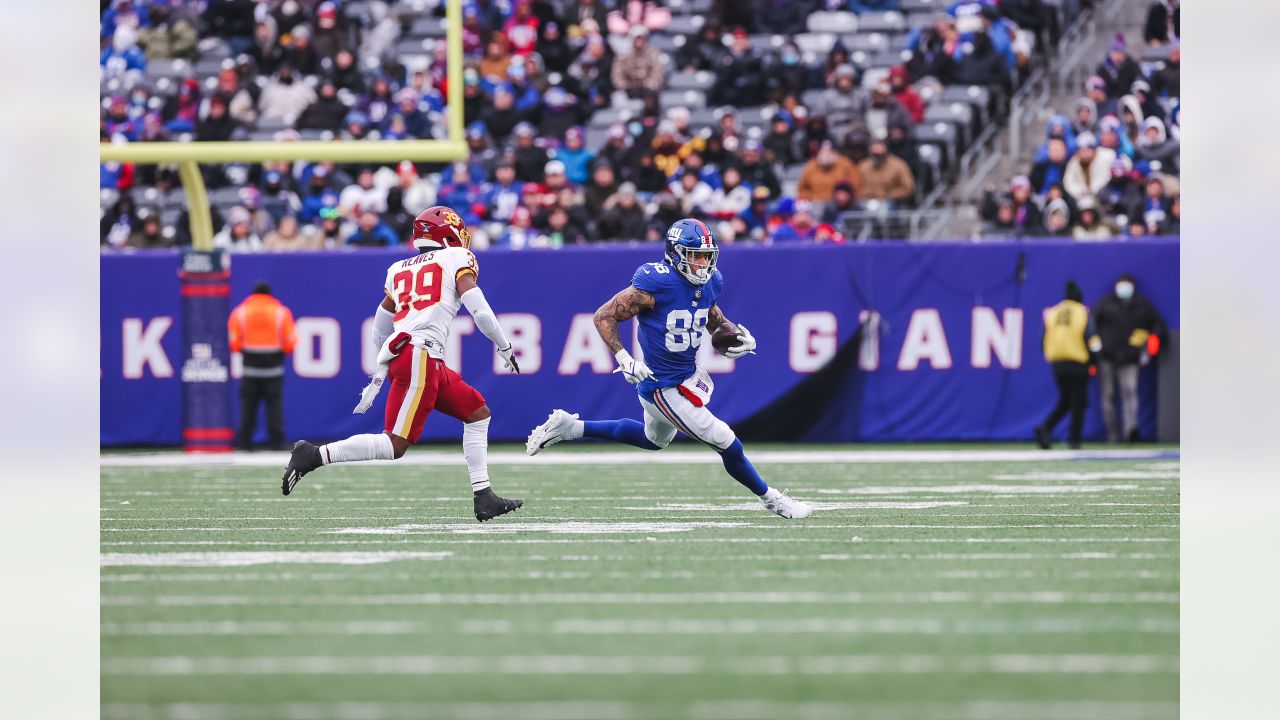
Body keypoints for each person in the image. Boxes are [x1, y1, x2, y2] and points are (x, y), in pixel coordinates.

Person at [525, 218, 813, 519]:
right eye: (695, 255)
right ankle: (773, 499)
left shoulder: (711, 281)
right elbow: (603, 316)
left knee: (653, 440)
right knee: (725, 440)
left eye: (707, 256)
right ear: (675, 254)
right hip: (661, 385)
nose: (703, 263)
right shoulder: (656, 282)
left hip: (685, 377)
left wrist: (735, 335)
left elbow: (712, 316)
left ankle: (572, 427)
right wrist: (623, 357)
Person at [282, 206, 525, 522]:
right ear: (446, 232)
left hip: (416, 355)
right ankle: (314, 455)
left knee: (476, 412)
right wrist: (504, 346)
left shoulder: (398, 268)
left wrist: (386, 357)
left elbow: (380, 325)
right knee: (393, 444)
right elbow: (480, 312)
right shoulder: (456, 259)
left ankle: (484, 495)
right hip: (420, 355)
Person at [1091, 273, 1167, 443]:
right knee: (1108, 395)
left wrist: (1151, 341)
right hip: (1107, 357)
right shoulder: (1106, 303)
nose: (1124, 288)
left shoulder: (1142, 305)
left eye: (1127, 284)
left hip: (1130, 357)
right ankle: (1112, 433)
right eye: (1121, 284)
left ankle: (1130, 431)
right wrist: (1096, 349)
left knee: (1130, 392)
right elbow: (1091, 324)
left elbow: (1158, 326)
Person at [229, 282, 298, 451]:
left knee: (248, 407)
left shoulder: (240, 312)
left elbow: (234, 344)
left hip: (249, 370)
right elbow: (290, 343)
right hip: (274, 370)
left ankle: (245, 442)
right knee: (274, 408)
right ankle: (276, 442)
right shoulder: (281, 313)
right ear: (270, 295)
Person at [1035, 282, 1096, 450]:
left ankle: (1046, 427)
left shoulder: (1053, 312)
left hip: (1058, 363)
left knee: (1066, 401)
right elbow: (1091, 338)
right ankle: (1074, 439)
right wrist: (1095, 360)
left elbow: (1042, 340)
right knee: (1078, 402)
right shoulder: (1082, 312)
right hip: (1078, 362)